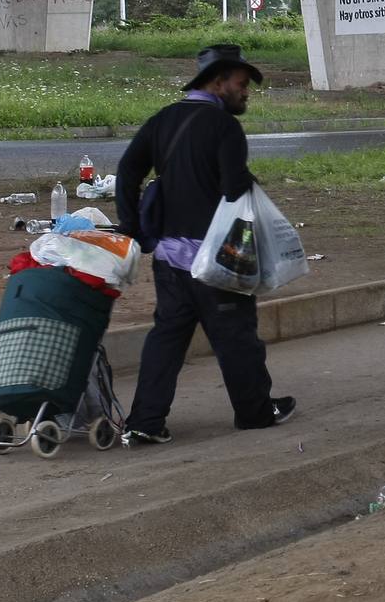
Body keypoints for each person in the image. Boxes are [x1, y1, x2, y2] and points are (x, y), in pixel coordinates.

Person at [115, 43, 295, 444]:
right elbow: (234, 188)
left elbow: (127, 170)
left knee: (166, 339)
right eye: (241, 83)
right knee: (236, 338)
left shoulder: (163, 120)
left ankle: (144, 422)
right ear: (218, 82)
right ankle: (254, 412)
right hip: (218, 261)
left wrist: (134, 229)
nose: (246, 91)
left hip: (169, 259)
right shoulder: (223, 127)